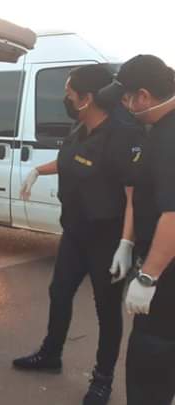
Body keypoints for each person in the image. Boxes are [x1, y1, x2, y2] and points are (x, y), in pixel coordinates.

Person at [13, 64, 143, 405]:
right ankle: (51, 354)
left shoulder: (121, 136)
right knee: (59, 292)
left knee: (106, 310)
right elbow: (71, 160)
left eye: (69, 93)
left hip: (107, 238)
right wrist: (37, 171)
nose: (65, 98)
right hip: (75, 233)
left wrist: (126, 244)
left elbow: (133, 197)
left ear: (87, 98)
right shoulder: (80, 129)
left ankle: (102, 380)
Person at [111, 54, 175, 405]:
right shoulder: (161, 130)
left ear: (144, 96)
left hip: (168, 275)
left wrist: (148, 277)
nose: (125, 105)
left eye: (126, 97)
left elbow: (174, 215)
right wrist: (127, 241)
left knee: (149, 360)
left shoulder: (168, 138)